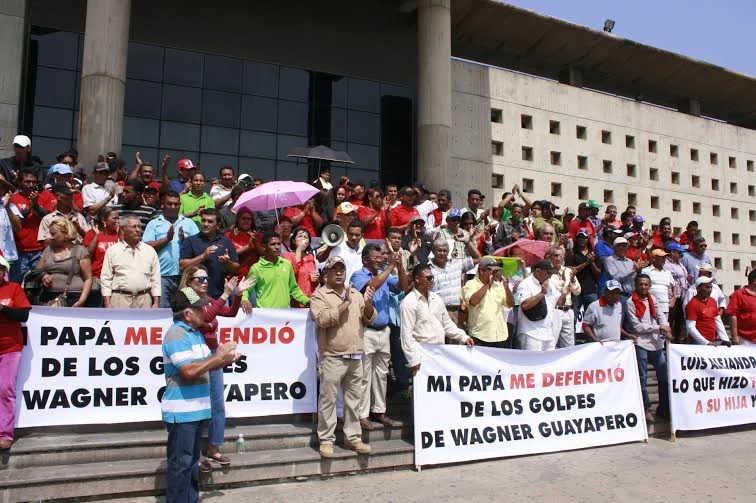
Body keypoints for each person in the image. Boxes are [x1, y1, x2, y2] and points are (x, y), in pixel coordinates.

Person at [161, 291, 240, 503]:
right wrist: (219, 356)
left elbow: (206, 365)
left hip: (196, 411)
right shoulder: (177, 335)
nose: (204, 311)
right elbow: (189, 371)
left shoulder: (195, 334)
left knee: (191, 464)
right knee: (181, 465)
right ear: (187, 313)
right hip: (183, 413)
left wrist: (225, 359)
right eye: (199, 308)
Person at [177, 266, 252, 471]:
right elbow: (206, 318)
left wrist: (237, 295)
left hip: (213, 355)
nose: (205, 282)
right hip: (197, 357)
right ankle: (196, 453)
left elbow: (230, 312)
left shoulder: (208, 299)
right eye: (200, 279)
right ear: (189, 280)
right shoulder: (186, 298)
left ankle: (213, 447)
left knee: (218, 404)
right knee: (198, 405)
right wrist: (225, 294)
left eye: (206, 278)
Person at [310, 256, 376, 458]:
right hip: (332, 356)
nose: (339, 273)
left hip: (356, 354)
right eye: (334, 269)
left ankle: (353, 438)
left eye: (342, 269)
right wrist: (345, 303)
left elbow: (370, 318)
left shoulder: (356, 294)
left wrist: (369, 303)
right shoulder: (319, 295)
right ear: (326, 273)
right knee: (328, 400)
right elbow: (323, 319)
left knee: (353, 401)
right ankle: (326, 440)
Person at [351, 244, 408, 429]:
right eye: (375, 258)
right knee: (364, 375)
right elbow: (371, 286)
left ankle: (380, 411)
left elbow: (403, 287)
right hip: (366, 330)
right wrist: (390, 266)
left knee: (381, 375)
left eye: (380, 257)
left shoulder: (385, 274)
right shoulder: (358, 275)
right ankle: (362, 414)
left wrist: (400, 266)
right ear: (365, 259)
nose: (379, 260)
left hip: (384, 330)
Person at [401, 264, 475, 376]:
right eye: (428, 278)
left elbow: (447, 324)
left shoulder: (436, 298)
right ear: (417, 279)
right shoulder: (409, 302)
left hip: (440, 352)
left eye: (432, 277)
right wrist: (413, 359)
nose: (432, 280)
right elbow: (406, 335)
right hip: (421, 353)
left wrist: (463, 337)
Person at [626, 274, 671, 422]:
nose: (643, 287)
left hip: (656, 343)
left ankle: (664, 409)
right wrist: (659, 327)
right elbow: (637, 326)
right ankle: (645, 408)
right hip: (641, 343)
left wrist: (666, 326)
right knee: (642, 378)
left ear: (650, 286)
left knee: (664, 378)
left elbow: (661, 316)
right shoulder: (630, 302)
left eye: (646, 284)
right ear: (636, 285)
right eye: (641, 284)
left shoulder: (653, 299)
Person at [143, 191, 200, 308]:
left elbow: (198, 248)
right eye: (169, 204)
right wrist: (166, 239)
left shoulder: (189, 223)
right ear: (163, 204)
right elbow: (146, 249)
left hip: (186, 278)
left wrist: (185, 240)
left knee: (191, 309)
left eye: (176, 204)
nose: (173, 207)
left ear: (180, 205)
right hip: (162, 278)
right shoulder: (153, 223)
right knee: (163, 312)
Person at [0, 256, 31, 450]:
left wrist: (3, 309)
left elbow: (23, 314)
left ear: (5, 272)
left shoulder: (14, 289)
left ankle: (4, 433)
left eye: (0, 269)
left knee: (5, 389)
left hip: (10, 348)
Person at [101, 215, 161, 308]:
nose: (138, 230)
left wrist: (156, 302)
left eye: (139, 227)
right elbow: (106, 279)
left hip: (144, 299)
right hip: (120, 299)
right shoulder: (112, 251)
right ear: (123, 230)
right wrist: (107, 304)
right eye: (133, 227)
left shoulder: (149, 251)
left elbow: (155, 279)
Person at [8, 168, 56, 282]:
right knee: (15, 282)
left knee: (41, 283)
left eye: (34, 182)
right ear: (19, 182)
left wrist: (36, 206)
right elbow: (14, 222)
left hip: (41, 249)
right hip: (19, 249)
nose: (31, 185)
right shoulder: (13, 199)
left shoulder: (45, 196)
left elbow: (50, 218)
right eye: (27, 182)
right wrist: (29, 208)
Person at [240, 231, 309, 310]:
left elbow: (294, 289)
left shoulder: (286, 264)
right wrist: (244, 299)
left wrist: (307, 301)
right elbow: (246, 289)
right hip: (265, 314)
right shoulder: (256, 268)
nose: (277, 247)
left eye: (279, 244)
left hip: (285, 314)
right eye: (273, 244)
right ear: (264, 246)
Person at [180, 208, 240, 299]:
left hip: (220, 295)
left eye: (210, 222)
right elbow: (182, 266)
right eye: (203, 220)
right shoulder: (190, 241)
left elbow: (236, 269)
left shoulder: (226, 242)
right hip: (193, 295)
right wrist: (203, 256)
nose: (205, 224)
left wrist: (227, 263)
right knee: (192, 309)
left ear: (218, 225)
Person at [36, 219, 92, 307]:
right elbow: (38, 270)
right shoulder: (48, 249)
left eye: (53, 234)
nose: (51, 237)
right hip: (49, 297)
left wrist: (81, 300)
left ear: (65, 233)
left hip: (74, 296)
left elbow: (88, 278)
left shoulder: (80, 251)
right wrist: (43, 275)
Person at [463, 257, 514, 347]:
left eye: (496, 271)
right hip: (480, 336)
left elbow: (510, 304)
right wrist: (487, 284)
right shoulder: (470, 284)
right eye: (492, 271)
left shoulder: (498, 285)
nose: (495, 273)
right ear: (481, 271)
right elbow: (473, 302)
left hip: (500, 336)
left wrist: (506, 288)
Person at [428, 238, 478, 326]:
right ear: (433, 251)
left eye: (444, 251)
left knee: (457, 334)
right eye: (439, 250)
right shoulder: (427, 269)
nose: (442, 253)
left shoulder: (457, 263)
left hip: (456, 313)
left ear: (448, 251)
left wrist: (467, 242)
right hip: (436, 313)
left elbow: (477, 258)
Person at [516, 260, 562, 351]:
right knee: (531, 360)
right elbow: (524, 305)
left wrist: (565, 290)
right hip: (531, 333)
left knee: (549, 359)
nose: (550, 276)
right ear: (538, 271)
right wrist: (542, 293)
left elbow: (560, 302)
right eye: (547, 273)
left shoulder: (550, 284)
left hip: (548, 333)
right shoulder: (525, 284)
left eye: (551, 273)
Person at [82, 207, 120, 307]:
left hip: (114, 280)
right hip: (96, 280)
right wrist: (96, 235)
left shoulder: (118, 234)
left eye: (118, 218)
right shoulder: (91, 234)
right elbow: (87, 255)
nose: (117, 221)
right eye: (114, 218)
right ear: (104, 220)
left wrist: (121, 234)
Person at [548, 245, 581, 348]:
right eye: (555, 255)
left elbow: (577, 292)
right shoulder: (547, 272)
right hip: (555, 310)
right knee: (551, 344)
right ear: (550, 257)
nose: (558, 258)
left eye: (560, 256)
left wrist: (572, 281)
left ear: (563, 257)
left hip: (568, 310)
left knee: (569, 346)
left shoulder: (568, 271)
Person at [317, 219, 365, 284]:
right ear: (347, 234)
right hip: (338, 288)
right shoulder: (337, 249)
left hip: (356, 289)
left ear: (362, 235)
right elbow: (321, 260)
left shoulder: (364, 251)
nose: (353, 237)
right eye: (351, 234)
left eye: (357, 235)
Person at [568, 230, 600, 323]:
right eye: (580, 237)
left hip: (591, 290)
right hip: (576, 291)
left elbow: (598, 273)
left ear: (588, 239)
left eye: (584, 238)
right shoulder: (572, 254)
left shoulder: (593, 253)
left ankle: (590, 333)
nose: (582, 240)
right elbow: (570, 270)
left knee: (593, 318)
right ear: (576, 239)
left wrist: (592, 263)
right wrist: (586, 263)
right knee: (573, 317)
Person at [685, 277, 729, 345]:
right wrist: (706, 342)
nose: (710, 290)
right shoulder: (692, 304)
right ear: (698, 289)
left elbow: (718, 321)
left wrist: (725, 339)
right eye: (707, 287)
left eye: (711, 287)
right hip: (697, 343)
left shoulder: (712, 301)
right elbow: (690, 327)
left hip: (711, 341)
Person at [282, 226, 319, 305]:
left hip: (311, 298)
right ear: (293, 240)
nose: (303, 239)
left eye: (305, 237)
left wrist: (315, 279)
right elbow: (292, 273)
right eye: (300, 236)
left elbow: (314, 277)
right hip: (296, 300)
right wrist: (299, 250)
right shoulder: (287, 255)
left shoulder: (310, 257)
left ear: (308, 242)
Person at [225, 208, 261, 281]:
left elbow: (263, 254)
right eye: (243, 218)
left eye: (249, 219)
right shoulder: (229, 235)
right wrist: (247, 247)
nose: (246, 221)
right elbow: (228, 254)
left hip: (253, 276)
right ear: (238, 220)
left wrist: (256, 243)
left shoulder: (256, 235)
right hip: (234, 278)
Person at [642, 249, 675, 322]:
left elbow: (674, 285)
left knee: (664, 326)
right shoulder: (646, 271)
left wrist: (674, 298)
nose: (664, 259)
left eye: (665, 257)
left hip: (664, 307)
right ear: (654, 258)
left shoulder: (668, 272)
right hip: (649, 306)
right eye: (662, 257)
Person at [727, 269, 756, 346]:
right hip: (744, 340)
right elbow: (733, 315)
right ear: (754, 281)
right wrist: (734, 336)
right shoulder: (738, 294)